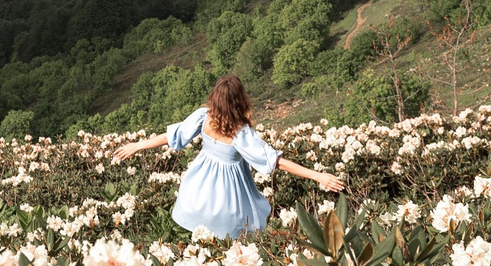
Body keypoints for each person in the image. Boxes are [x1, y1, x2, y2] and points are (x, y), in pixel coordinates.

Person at [109, 76, 345, 238]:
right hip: (229, 195)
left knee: (203, 236)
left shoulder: (204, 117)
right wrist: (317, 176)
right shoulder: (241, 133)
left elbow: (171, 136)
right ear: (239, 101)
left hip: (198, 189)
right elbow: (276, 162)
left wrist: (138, 145)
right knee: (236, 235)